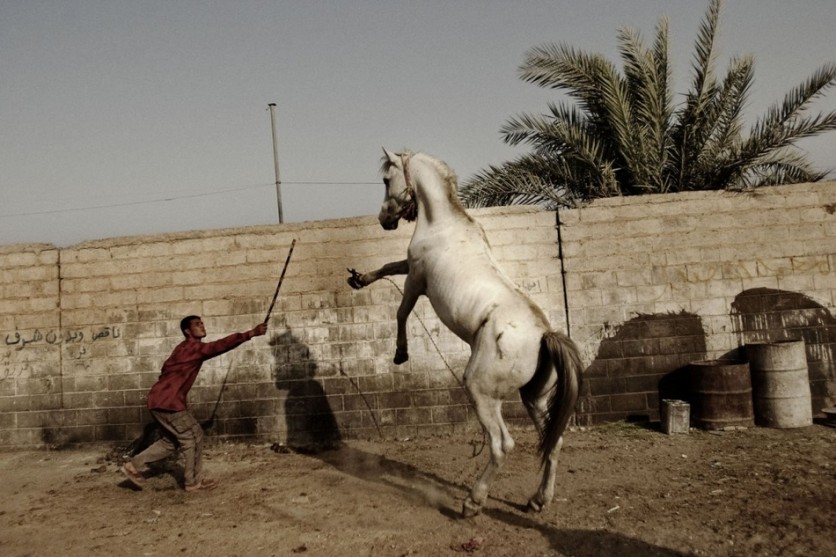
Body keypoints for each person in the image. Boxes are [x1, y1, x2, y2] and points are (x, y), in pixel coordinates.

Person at [120, 315, 268, 492]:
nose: (202, 326)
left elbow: (166, 369)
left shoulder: (183, 349)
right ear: (187, 331)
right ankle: (192, 483)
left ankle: (132, 466)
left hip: (160, 400)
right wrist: (251, 333)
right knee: (193, 435)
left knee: (171, 441)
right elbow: (218, 346)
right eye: (197, 325)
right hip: (168, 402)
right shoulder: (192, 348)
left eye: (202, 323)